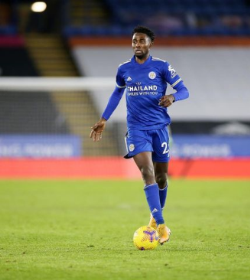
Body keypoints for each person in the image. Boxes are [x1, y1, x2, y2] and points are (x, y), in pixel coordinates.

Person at [90, 26, 189, 245]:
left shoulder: (162, 66)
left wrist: (173, 97)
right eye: (134, 41)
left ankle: (154, 221)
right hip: (136, 129)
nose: (137, 45)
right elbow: (117, 92)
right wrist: (104, 119)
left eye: (142, 41)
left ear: (150, 44)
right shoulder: (124, 69)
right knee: (147, 172)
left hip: (159, 128)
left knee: (162, 177)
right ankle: (162, 226)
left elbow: (184, 90)